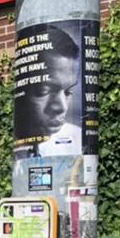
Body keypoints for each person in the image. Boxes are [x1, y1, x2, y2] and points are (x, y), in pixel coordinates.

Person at [21, 26, 81, 156]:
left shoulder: (79, 141)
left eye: (68, 92)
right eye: (44, 90)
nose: (62, 107)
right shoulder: (16, 147)